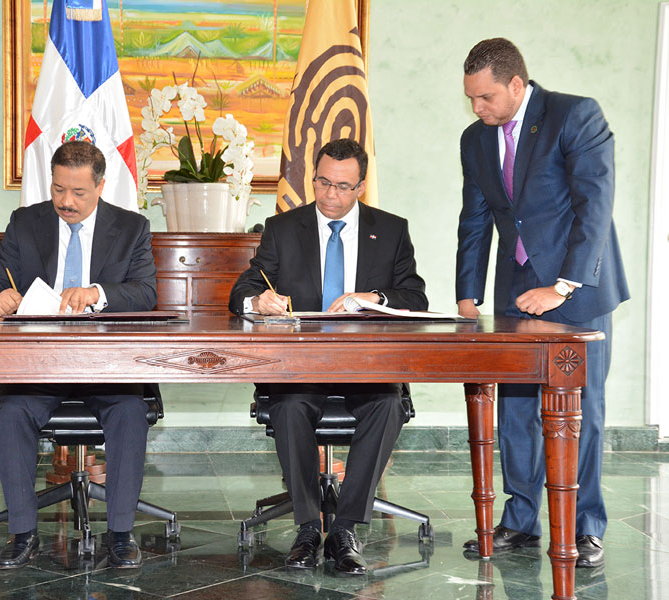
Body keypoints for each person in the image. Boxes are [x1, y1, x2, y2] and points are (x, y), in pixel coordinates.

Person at [457, 38, 629, 568]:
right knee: (514, 412)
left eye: (485, 97)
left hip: (578, 289)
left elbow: (594, 206)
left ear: (516, 84)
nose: (476, 108)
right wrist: (468, 294)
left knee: (582, 412)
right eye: (470, 98)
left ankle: (585, 526)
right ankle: (521, 519)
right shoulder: (476, 139)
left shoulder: (575, 115)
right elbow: (476, 218)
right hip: (515, 292)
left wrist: (562, 285)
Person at [229, 139, 428, 575]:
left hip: (366, 365)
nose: (330, 195)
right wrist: (257, 301)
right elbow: (242, 289)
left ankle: (344, 528)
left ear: (360, 186)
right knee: (289, 405)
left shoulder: (390, 230)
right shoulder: (283, 228)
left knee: (387, 404)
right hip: (302, 366)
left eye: (342, 186)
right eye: (322, 183)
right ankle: (306, 528)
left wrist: (374, 297)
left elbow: (415, 297)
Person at [0, 141, 157, 570]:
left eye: (78, 192)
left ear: (100, 186)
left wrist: (97, 293)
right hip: (39, 364)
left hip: (105, 366)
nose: (66, 202)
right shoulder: (26, 222)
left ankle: (120, 534)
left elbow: (146, 292)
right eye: (58, 189)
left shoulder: (131, 227)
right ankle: (23, 533)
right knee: (11, 417)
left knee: (130, 413)